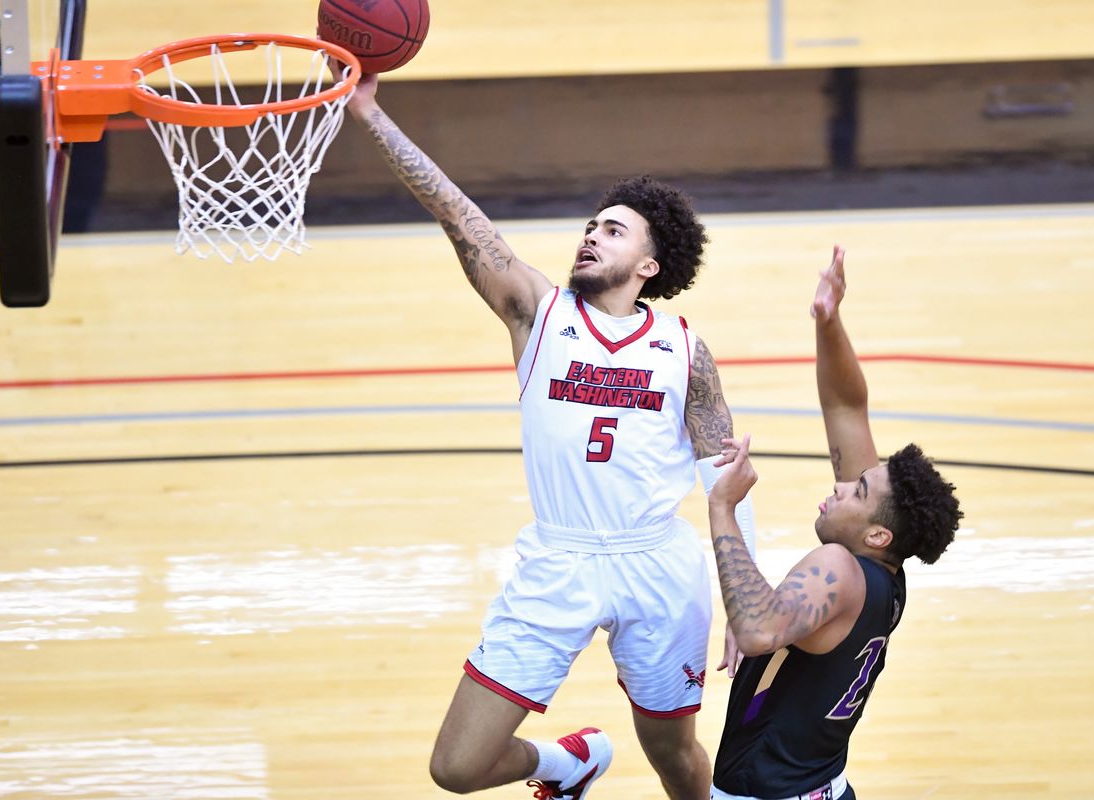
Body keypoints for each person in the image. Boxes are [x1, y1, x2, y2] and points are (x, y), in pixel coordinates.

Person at [345, 75, 755, 800]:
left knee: (674, 752)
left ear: (649, 267)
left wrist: (747, 597)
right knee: (458, 768)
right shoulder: (539, 313)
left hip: (657, 566)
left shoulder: (684, 348)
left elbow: (726, 474)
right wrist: (370, 115)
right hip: (560, 562)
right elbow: (457, 214)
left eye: (614, 230)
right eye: (592, 225)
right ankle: (566, 764)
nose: (593, 234)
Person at [705, 246, 962, 800]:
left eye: (859, 490)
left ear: (877, 534)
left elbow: (756, 631)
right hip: (822, 785)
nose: (843, 483)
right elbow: (846, 407)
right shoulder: (885, 576)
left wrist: (723, 506)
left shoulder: (839, 568)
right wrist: (829, 322)